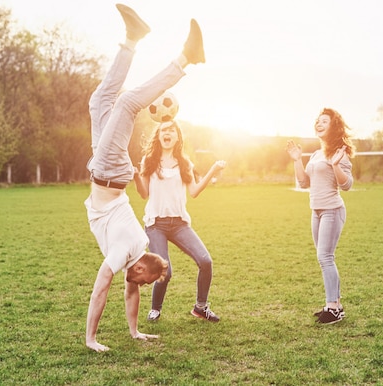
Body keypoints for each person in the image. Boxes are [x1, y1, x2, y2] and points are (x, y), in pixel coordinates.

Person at [84, 3, 206, 351]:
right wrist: (91, 339)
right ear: (140, 266)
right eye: (142, 279)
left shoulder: (134, 258)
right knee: (124, 105)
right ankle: (185, 59)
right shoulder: (126, 252)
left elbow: (129, 292)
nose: (136, 283)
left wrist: (135, 332)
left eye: (142, 281)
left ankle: (132, 39)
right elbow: (101, 288)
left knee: (99, 102)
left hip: (109, 172)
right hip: (107, 173)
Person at [133, 121, 226, 322]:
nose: (167, 133)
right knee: (165, 271)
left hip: (179, 224)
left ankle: (201, 307)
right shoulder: (149, 161)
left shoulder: (185, 163)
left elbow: (193, 192)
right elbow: (143, 193)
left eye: (171, 130)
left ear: (177, 137)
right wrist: (135, 176)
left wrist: (212, 170)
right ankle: (155, 310)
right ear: (158, 136)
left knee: (206, 261)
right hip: (155, 224)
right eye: (164, 130)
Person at [285, 108, 355, 325]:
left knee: (325, 257)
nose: (319, 123)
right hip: (315, 211)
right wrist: (297, 160)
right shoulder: (316, 154)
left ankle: (332, 308)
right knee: (324, 258)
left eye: (324, 121)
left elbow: (347, 185)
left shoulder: (339, 152)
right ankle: (336, 305)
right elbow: (304, 183)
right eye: (317, 120)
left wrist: (335, 164)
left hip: (332, 210)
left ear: (333, 126)